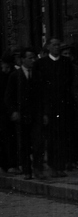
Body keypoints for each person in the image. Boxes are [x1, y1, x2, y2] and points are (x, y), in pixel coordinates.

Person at [36, 37, 74, 177]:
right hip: (48, 106)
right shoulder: (41, 63)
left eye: (58, 45)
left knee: (62, 137)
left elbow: (69, 82)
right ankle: (52, 165)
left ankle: (60, 165)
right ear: (48, 47)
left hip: (63, 105)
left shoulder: (66, 63)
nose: (57, 47)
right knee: (51, 137)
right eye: (54, 45)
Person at [5, 49, 43, 178]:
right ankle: (27, 170)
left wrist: (44, 113)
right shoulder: (15, 76)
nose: (33, 60)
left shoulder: (38, 75)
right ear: (22, 60)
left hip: (36, 114)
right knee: (24, 143)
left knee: (38, 143)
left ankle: (38, 168)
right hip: (22, 115)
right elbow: (9, 97)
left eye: (34, 58)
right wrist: (13, 111)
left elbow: (43, 96)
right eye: (30, 58)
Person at [0, 52, 19, 172]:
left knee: (9, 138)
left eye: (8, 67)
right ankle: (11, 164)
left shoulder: (13, 75)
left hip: (10, 111)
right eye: (4, 67)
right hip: (3, 112)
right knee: (9, 138)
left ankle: (4, 162)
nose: (6, 69)